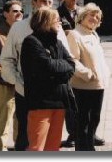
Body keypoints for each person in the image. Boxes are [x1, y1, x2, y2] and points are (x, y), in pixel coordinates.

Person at [0, 0, 69, 151]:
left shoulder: (57, 29)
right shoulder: (19, 27)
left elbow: (68, 58)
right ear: (34, 3)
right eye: (42, 1)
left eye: (49, 3)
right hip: (26, 93)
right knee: (27, 139)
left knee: (52, 141)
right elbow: (7, 59)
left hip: (54, 95)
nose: (45, 5)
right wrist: (18, 82)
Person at [20, 8, 75, 151]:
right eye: (56, 19)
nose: (60, 22)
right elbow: (45, 66)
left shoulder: (58, 42)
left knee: (53, 147)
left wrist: (57, 68)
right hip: (40, 103)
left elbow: (71, 66)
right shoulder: (31, 42)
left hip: (59, 101)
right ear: (45, 21)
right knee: (36, 147)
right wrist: (60, 67)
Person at [67, 2, 110, 151]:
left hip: (98, 85)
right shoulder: (75, 34)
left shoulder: (93, 34)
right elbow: (72, 60)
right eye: (92, 15)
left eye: (97, 16)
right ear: (82, 16)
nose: (95, 18)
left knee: (94, 120)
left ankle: (89, 148)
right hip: (83, 86)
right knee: (83, 123)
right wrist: (88, 74)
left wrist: (105, 74)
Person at [0, 0, 23, 151]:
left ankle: (19, 147)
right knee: (4, 120)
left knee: (19, 120)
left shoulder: (23, 33)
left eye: (20, 11)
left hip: (21, 83)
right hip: (5, 85)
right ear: (5, 14)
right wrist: (8, 78)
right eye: (15, 11)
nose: (19, 13)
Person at [58, 0, 83, 148]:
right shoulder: (57, 13)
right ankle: (73, 134)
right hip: (66, 60)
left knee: (86, 98)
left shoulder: (83, 12)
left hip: (83, 60)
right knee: (70, 100)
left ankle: (88, 132)